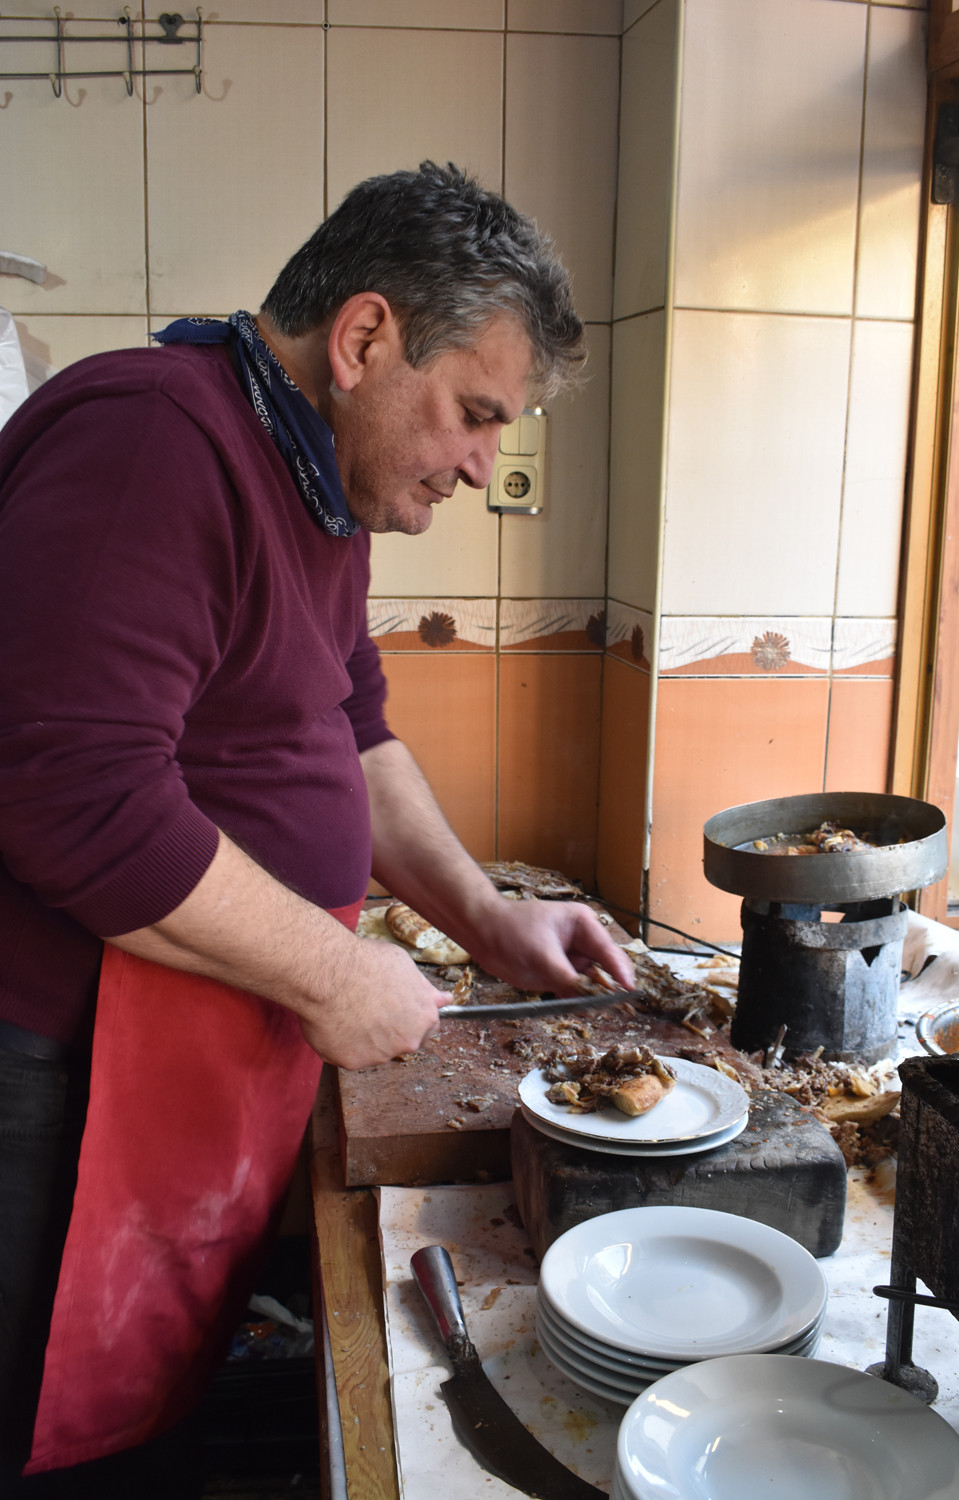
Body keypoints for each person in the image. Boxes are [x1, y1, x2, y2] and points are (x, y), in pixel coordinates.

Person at [0, 161, 632, 1491]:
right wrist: (338, 974)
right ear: (361, 340)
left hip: (176, 1054)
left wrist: (484, 915)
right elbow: (75, 800)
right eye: (471, 414)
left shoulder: (314, 485)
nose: (480, 461)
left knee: (145, 1417)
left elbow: (353, 730)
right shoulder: (153, 441)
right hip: (50, 1070)